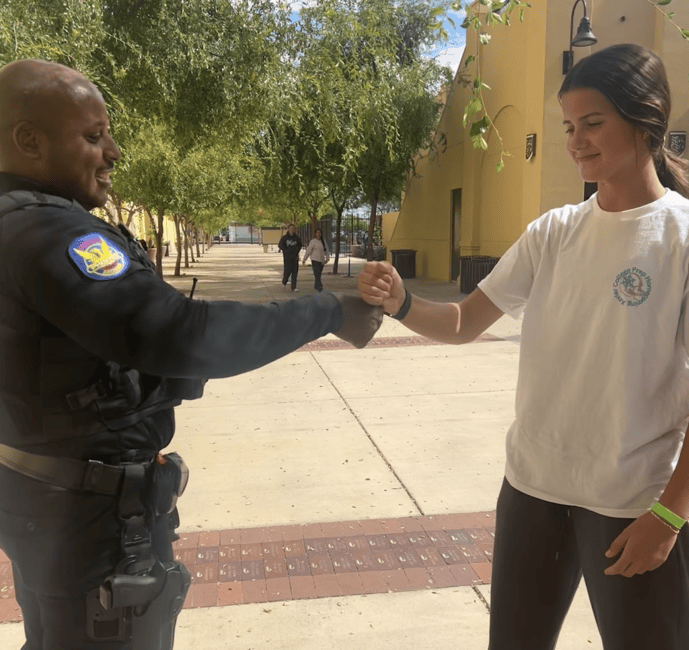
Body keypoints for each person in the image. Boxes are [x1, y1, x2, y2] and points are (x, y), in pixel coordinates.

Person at [0, 58, 383, 650]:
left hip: (51, 509)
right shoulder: (52, 235)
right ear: (29, 141)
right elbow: (178, 334)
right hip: (86, 524)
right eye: (94, 137)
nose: (114, 153)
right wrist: (328, 312)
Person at [358, 43, 689, 650]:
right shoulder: (553, 232)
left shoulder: (680, 238)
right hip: (532, 492)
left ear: (645, 121)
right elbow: (463, 322)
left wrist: (669, 515)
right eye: (568, 126)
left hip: (631, 503)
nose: (576, 141)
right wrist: (401, 303)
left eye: (593, 123)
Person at [277, 223, 302, 292]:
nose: (292, 229)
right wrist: (285, 250)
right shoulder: (284, 238)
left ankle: (293, 287)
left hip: (295, 257)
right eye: (290, 228)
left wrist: (297, 251)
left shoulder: (296, 238)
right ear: (288, 229)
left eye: (293, 228)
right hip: (287, 257)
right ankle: (284, 281)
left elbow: (300, 245)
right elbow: (280, 245)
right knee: (287, 271)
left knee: (295, 272)